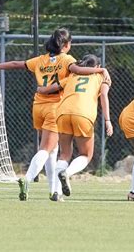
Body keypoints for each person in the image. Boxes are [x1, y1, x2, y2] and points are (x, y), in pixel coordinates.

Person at [0, 28, 109, 201]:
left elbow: (16, 64)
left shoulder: (41, 60)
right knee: (46, 149)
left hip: (38, 105)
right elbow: (78, 70)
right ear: (66, 45)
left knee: (53, 151)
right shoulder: (67, 59)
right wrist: (100, 70)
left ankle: (55, 192)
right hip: (56, 107)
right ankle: (27, 179)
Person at [37, 54, 113, 200]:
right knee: (86, 154)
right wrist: (107, 120)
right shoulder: (101, 76)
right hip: (83, 113)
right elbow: (104, 95)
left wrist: (41, 90)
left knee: (64, 154)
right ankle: (68, 173)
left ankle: (56, 192)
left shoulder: (72, 76)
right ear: (97, 67)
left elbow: (51, 88)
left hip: (62, 112)